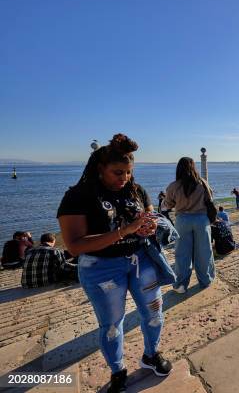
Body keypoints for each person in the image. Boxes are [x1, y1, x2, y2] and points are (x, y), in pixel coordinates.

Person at [57, 134, 173, 391]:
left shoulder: (136, 189)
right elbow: (75, 246)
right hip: (101, 268)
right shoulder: (78, 196)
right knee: (111, 325)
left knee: (154, 313)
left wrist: (149, 225)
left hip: (141, 260)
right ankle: (118, 370)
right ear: (100, 169)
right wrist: (125, 231)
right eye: (117, 173)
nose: (124, 179)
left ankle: (151, 354)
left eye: (129, 173)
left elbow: (149, 214)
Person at [164, 157, 215, 293]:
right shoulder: (202, 183)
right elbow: (210, 199)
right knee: (204, 252)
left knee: (182, 253)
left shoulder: (174, 186)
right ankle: (206, 280)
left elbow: (168, 204)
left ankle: (181, 284)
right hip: (201, 220)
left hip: (182, 220)